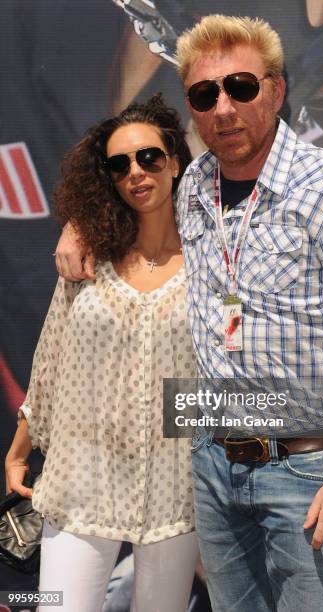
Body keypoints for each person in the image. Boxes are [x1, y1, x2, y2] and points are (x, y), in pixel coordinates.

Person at [53, 14, 323, 612]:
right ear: (192, 108)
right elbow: (132, 188)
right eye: (204, 94)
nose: (223, 107)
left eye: (241, 87)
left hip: (312, 472)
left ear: (275, 89)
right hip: (213, 466)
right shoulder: (193, 185)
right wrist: (81, 224)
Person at [4, 94, 199, 612]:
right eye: (120, 164)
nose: (136, 171)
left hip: (174, 484)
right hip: (81, 477)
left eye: (150, 157)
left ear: (175, 161)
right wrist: (21, 449)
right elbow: (50, 361)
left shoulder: (212, 261)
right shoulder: (88, 259)